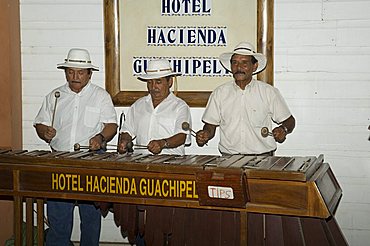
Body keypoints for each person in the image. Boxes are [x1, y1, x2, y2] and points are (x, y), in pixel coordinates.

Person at [34, 48, 118, 246]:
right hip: (60, 160)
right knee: (58, 217)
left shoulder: (100, 96)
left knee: (90, 217)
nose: (75, 76)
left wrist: (100, 137)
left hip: (91, 161)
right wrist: (44, 131)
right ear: (65, 73)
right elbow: (40, 123)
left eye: (80, 72)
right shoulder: (55, 95)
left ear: (89, 73)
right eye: (71, 72)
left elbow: (111, 125)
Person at [196, 42, 295, 155]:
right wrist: (206, 134)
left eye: (244, 63)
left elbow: (290, 121)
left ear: (254, 66)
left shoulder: (268, 92)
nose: (238, 67)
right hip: (229, 159)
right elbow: (210, 125)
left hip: (263, 159)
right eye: (235, 63)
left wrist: (283, 130)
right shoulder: (220, 93)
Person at [117, 59, 191, 156]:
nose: (153, 87)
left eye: (158, 82)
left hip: (171, 162)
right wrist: (124, 140)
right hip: (141, 161)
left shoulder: (180, 107)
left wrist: (163, 143)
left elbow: (182, 136)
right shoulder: (138, 105)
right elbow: (127, 130)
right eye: (149, 82)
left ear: (170, 82)